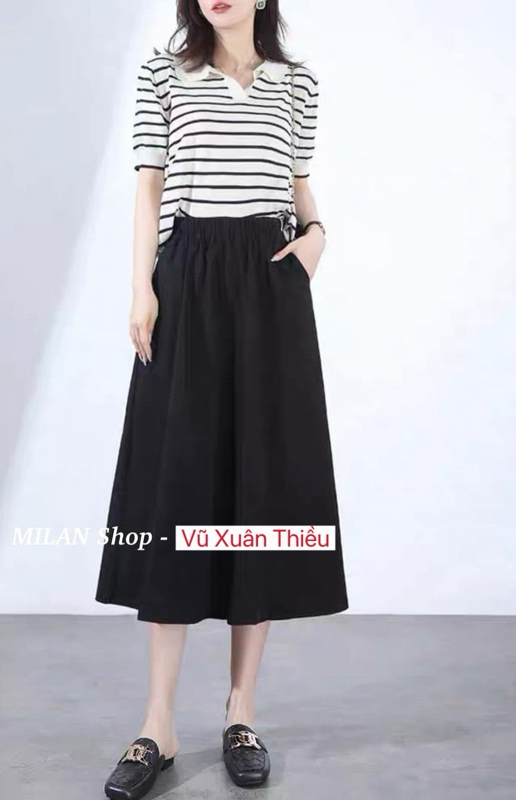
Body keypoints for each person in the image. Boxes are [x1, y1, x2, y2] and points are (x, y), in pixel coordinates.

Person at [96, 1, 348, 797]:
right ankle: (157, 725)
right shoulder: (163, 73)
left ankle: (242, 713)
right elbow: (149, 186)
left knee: (259, 489)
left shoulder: (297, 82)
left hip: (269, 283)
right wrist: (142, 288)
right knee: (175, 488)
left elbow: (299, 186)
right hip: (190, 274)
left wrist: (315, 240)